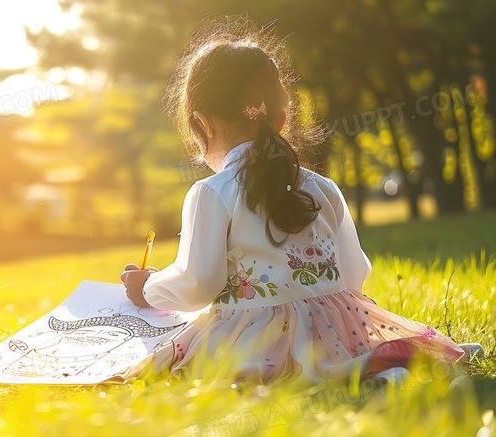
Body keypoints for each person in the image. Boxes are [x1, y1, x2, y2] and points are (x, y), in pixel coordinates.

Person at [117, 15, 483, 385]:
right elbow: (354, 274)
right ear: (279, 120)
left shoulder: (211, 192)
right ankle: (380, 371)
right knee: (343, 359)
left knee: (189, 364)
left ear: (203, 124)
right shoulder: (323, 186)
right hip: (334, 330)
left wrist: (148, 288)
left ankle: (373, 377)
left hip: (255, 338)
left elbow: (198, 284)